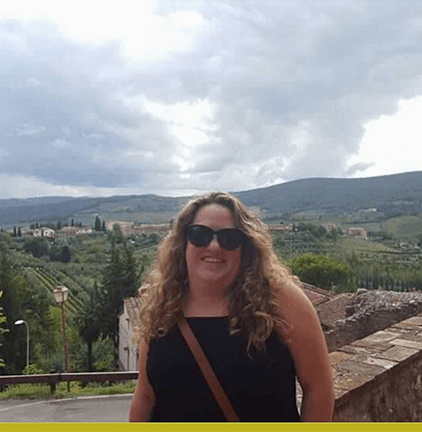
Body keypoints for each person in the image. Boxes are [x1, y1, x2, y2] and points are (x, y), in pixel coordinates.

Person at [129, 191, 334, 422]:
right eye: (200, 234)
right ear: (183, 242)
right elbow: (145, 396)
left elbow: (318, 388)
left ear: (245, 247)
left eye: (229, 238)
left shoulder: (280, 300)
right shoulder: (163, 303)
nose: (214, 246)